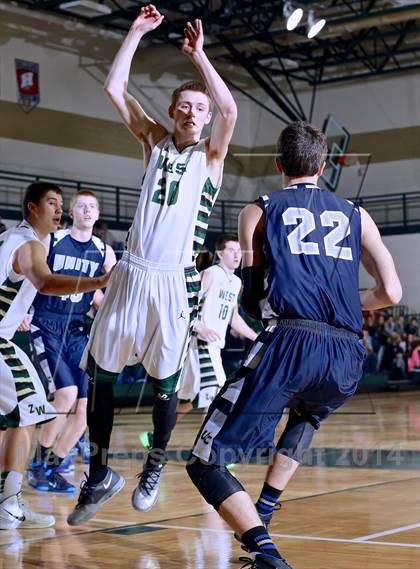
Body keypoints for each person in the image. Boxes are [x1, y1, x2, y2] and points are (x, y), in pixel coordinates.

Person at [186, 121, 402, 569]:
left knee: (204, 462)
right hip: (346, 352)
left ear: (279, 164)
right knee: (308, 414)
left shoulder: (258, 211)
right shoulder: (357, 215)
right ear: (323, 165)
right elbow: (392, 294)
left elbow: (251, 293)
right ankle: (264, 509)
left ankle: (266, 552)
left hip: (289, 340)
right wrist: (346, 302)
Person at [67, 4, 237, 526]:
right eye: (183, 106)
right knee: (100, 374)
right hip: (132, 272)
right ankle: (98, 471)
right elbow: (114, 89)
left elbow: (230, 111)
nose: (190, 113)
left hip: (173, 281)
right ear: (171, 110)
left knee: (166, 382)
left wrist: (200, 58)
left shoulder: (210, 157)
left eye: (197, 108)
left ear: (204, 119)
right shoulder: (153, 140)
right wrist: (136, 33)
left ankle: (154, 463)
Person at [0, 182, 110, 530]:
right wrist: (99, 281)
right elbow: (45, 283)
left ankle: (7, 499)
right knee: (29, 411)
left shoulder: (14, 240)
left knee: (10, 419)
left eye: (61, 203)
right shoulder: (29, 244)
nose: (58, 209)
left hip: (31, 332)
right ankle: (9, 501)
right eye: (52, 203)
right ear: (32, 207)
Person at [27, 191, 116, 492]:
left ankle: (50, 468)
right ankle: (36, 464)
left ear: (98, 212)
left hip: (78, 329)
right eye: (81, 206)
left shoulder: (104, 251)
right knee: (65, 396)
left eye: (92, 206)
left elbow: (107, 296)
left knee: (84, 408)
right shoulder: (52, 241)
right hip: (46, 323)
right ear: (72, 212)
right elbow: (31, 276)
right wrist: (25, 309)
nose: (87, 210)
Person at [139, 235, 257, 449]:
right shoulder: (211, 274)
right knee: (220, 394)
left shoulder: (236, 282)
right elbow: (186, 304)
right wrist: (198, 326)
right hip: (199, 344)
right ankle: (207, 449)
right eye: (232, 250)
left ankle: (154, 438)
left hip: (213, 346)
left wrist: (257, 337)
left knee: (187, 401)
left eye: (240, 251)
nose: (237, 254)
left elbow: (234, 318)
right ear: (220, 253)